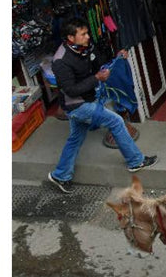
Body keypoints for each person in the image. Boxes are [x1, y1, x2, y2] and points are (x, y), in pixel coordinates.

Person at [47, 18, 157, 194]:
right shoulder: (61, 61)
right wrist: (96, 79)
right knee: (116, 122)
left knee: (75, 139)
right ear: (70, 37)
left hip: (89, 98)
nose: (88, 37)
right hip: (77, 106)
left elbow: (100, 62)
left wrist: (118, 57)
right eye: (83, 34)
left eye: (87, 33)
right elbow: (70, 90)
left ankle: (60, 175)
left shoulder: (85, 48)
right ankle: (136, 161)